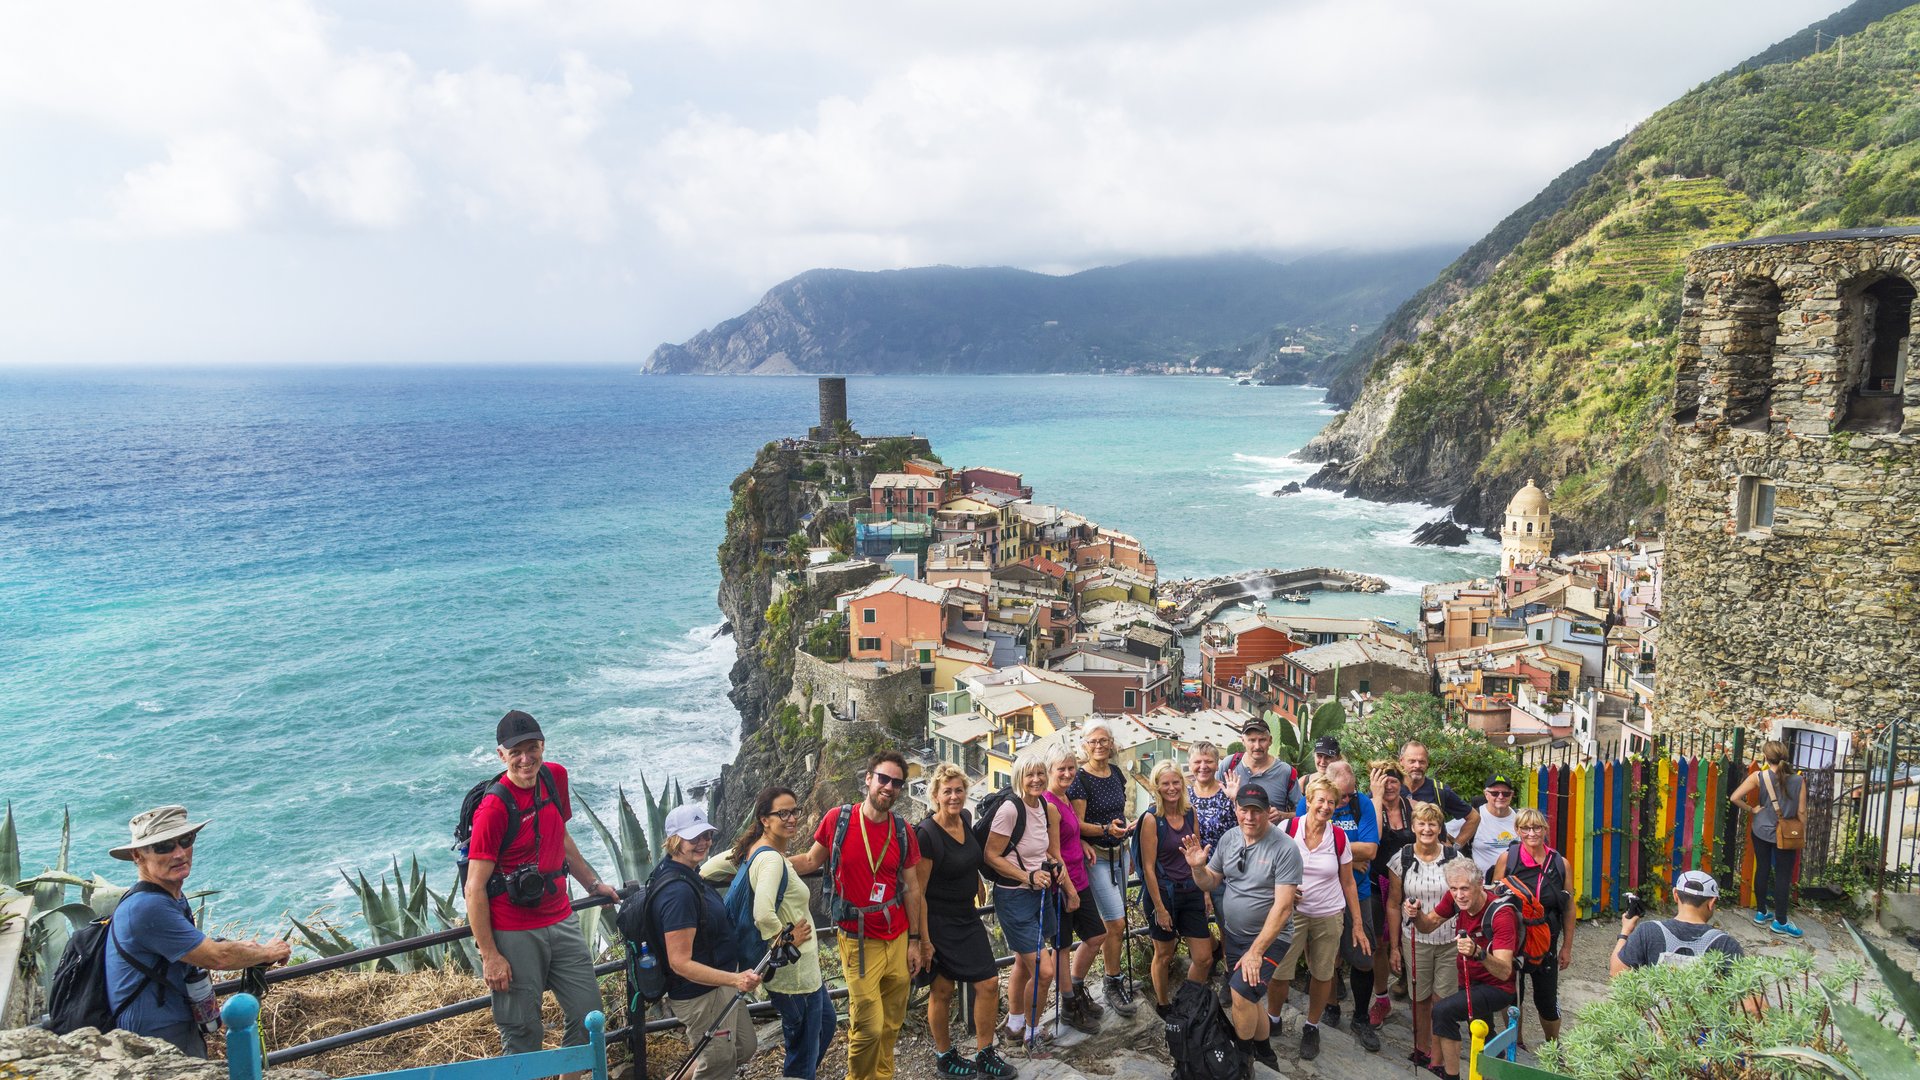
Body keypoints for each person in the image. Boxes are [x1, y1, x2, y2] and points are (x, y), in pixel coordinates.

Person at [467, 711, 622, 1058]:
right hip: (514, 931)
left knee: (588, 1017)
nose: (526, 759)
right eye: (516, 751)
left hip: (561, 919)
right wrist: (490, 956)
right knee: (523, 1033)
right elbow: (474, 887)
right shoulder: (493, 808)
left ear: (543, 746)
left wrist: (592, 883)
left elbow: (561, 836)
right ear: (501, 755)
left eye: (532, 748)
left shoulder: (555, 778)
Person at [105, 806, 291, 1057]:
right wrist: (267, 952)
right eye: (164, 847)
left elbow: (196, 947)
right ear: (138, 855)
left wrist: (253, 950)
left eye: (185, 840)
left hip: (174, 1030)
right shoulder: (147, 907)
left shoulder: (168, 896)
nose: (180, 853)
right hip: (156, 1044)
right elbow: (217, 956)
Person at [792, 751, 927, 1080]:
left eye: (897, 782)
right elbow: (810, 861)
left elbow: (913, 889)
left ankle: (883, 1076)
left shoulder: (902, 830)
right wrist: (763, 860)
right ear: (868, 779)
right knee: (868, 1024)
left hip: (897, 935)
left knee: (892, 1020)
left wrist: (916, 941)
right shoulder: (839, 819)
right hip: (857, 939)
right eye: (884, 778)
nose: (889, 787)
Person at [913, 764, 1017, 1079]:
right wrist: (923, 939)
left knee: (987, 982)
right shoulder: (927, 834)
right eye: (948, 791)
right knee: (942, 989)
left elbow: (968, 856)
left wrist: (976, 880)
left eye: (959, 790)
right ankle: (945, 1057)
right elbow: (917, 891)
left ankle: (985, 1053)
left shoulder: (966, 819)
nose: (954, 796)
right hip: (938, 920)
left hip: (965, 915)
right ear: (935, 795)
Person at [726, 787, 834, 1080]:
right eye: (782, 813)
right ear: (764, 819)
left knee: (825, 1023)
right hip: (794, 976)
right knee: (802, 1055)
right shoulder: (771, 859)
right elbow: (763, 912)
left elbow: (715, 867)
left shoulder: (762, 852)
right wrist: (786, 940)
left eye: (794, 811)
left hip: (803, 974)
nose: (791, 818)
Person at [1180, 784, 1302, 1043]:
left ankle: (1243, 1055)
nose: (1249, 817)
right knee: (1251, 996)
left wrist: (1256, 953)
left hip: (1269, 940)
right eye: (1244, 810)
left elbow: (1282, 909)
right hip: (1235, 936)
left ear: (1268, 812)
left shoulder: (1285, 848)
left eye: (1256, 811)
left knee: (1241, 994)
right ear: (1236, 809)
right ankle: (1264, 1051)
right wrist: (1198, 869)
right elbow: (1210, 882)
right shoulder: (1230, 838)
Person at [652, 805, 760, 1080]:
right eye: (693, 838)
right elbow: (679, 962)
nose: (703, 843)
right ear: (675, 841)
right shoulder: (678, 893)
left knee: (743, 1047)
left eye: (707, 835)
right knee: (717, 1064)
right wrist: (734, 979)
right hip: (702, 995)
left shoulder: (689, 874)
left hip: (719, 986)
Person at [1276, 774, 1372, 1061]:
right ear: (1309, 801)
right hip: (1291, 913)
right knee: (1280, 971)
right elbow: (1269, 865)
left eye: (1332, 802)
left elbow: (1349, 882)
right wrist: (1282, 892)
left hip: (1328, 914)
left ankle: (1311, 1026)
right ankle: (1272, 1017)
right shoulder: (1287, 828)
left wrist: (1357, 924)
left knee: (1323, 973)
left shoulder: (1339, 837)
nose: (1326, 806)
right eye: (1321, 800)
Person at [986, 749, 1072, 1048]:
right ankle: (1033, 1034)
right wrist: (1028, 877)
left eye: (1040, 774)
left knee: (1024, 964)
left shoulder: (1043, 807)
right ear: (1019, 778)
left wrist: (1053, 863)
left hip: (1040, 893)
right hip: (1015, 897)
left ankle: (1015, 1024)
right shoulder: (1011, 809)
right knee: (1045, 970)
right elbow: (991, 855)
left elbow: (1039, 849)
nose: (1036, 779)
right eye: (1029, 774)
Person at [1405, 858, 1519, 1080]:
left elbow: (1505, 972)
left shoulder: (1501, 915)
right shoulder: (1455, 899)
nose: (1459, 895)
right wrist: (1416, 913)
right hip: (1470, 980)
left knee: (1443, 1012)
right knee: (1482, 1030)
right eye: (1454, 889)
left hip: (1498, 988)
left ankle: (1451, 1076)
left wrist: (1478, 952)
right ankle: (1496, 1067)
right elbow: (1428, 926)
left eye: (1465, 889)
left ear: (1479, 885)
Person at [1296, 760, 1381, 1050]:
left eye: (1349, 794)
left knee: (1363, 956)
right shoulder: (1310, 802)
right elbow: (1300, 840)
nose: (1346, 800)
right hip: (1318, 896)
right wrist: (1344, 855)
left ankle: (1360, 1016)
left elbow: (1371, 849)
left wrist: (1339, 849)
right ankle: (1330, 1007)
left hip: (1358, 890)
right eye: (1341, 795)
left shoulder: (1363, 804)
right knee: (1325, 958)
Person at [1067, 719, 1138, 1016]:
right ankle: (1100, 984)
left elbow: (1119, 812)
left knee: (1117, 925)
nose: (1099, 746)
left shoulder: (1116, 773)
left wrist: (1126, 843)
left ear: (1111, 744)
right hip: (1095, 856)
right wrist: (1106, 830)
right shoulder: (1080, 780)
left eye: (1103, 741)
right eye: (1093, 741)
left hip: (1119, 852)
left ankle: (1096, 983)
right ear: (1084, 746)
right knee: (1115, 923)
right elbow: (1077, 824)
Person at [1489, 805, 1573, 1043]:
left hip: (1547, 939)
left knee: (1546, 998)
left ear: (1545, 829)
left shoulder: (1560, 863)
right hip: (1514, 938)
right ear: (1517, 830)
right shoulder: (1508, 859)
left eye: (1536, 827)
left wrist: (1567, 947)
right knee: (1513, 995)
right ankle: (1517, 1043)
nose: (1531, 833)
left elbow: (1568, 906)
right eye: (1525, 828)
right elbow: (1495, 900)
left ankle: (1553, 1047)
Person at [1386, 803, 1458, 1071]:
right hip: (1414, 939)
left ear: (1440, 828)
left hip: (1449, 940)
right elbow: (1393, 904)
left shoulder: (1454, 858)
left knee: (1443, 1001)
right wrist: (1394, 947)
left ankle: (1438, 1058)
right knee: (1419, 998)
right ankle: (1421, 1048)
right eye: (1422, 823)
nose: (1427, 829)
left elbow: (1465, 896)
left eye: (1433, 824)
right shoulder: (1401, 858)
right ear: (1413, 826)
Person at [1043, 745, 1107, 1034]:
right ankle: (1069, 1005)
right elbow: (1050, 851)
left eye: (1071, 768)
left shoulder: (1064, 797)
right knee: (1062, 946)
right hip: (1061, 885)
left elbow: (1069, 834)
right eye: (1062, 769)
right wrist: (1068, 890)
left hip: (1079, 878)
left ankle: (1076, 988)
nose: (1068, 773)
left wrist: (1081, 842)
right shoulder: (1049, 803)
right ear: (1049, 772)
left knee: (1097, 935)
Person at [1140, 760, 1213, 1010]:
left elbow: (1197, 855)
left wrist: (1205, 891)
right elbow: (1148, 867)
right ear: (1157, 787)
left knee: (1203, 957)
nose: (1171, 788)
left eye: (1175, 782)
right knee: (1164, 954)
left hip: (1191, 889)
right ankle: (1163, 1003)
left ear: (1183, 784)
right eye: (1165, 784)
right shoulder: (1151, 819)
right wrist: (1160, 908)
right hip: (1163, 892)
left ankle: (1188, 1001)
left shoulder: (1189, 812)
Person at [1727, 739, 1808, 938]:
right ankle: (1781, 921)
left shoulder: (1759, 776)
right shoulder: (1798, 780)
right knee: (1783, 875)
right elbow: (1802, 811)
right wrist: (1799, 830)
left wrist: (1752, 809)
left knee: (1762, 868)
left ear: (1765, 757)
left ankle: (1761, 913)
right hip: (1786, 834)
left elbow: (1734, 797)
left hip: (1761, 829)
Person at [1611, 870, 1745, 975]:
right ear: (1712, 902)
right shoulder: (1726, 944)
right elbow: (1752, 1006)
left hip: (1657, 1011)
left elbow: (1617, 973)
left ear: (1675, 895)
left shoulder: (1648, 931)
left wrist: (1625, 932)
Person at [1367, 758, 1413, 1025]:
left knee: (1413, 942)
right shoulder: (1369, 806)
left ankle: (1417, 994)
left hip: (1409, 887)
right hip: (1377, 883)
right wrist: (1376, 797)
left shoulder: (1412, 808)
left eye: (1394, 779)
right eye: (1383, 779)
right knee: (1379, 946)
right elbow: (1375, 836)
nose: (1389, 785)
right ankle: (1382, 999)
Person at [1398, 741, 1478, 855]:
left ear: (1427, 763)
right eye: (1412, 761)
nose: (1417, 766)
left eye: (1422, 762)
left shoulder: (1439, 791)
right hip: (1396, 860)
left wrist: (1454, 848)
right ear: (1401, 761)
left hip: (1433, 862)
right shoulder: (1390, 789)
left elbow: (1474, 817)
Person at [1224, 718, 1300, 824]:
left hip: (1273, 839)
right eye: (1252, 740)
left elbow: (1303, 813)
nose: (1257, 746)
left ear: (1270, 740)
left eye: (1262, 740)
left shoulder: (1286, 772)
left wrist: (1283, 815)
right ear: (1243, 741)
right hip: (1234, 838)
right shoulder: (1229, 765)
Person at [1472, 775, 1521, 881]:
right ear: (1486, 794)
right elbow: (1444, 832)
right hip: (1483, 887)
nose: (1500, 797)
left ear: (1512, 795)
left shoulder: (1520, 818)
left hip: (1517, 886)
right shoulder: (1475, 816)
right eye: (1495, 793)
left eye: (1506, 793)